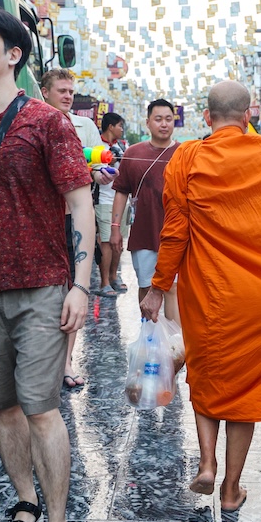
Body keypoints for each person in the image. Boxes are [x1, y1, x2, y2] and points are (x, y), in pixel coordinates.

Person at [139, 80, 261, 511]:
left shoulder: (186, 157)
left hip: (208, 292)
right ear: (248, 117)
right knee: (245, 387)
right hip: (256, 295)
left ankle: (207, 463)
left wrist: (157, 289)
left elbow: (174, 232)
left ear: (206, 118)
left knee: (207, 378)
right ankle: (231, 489)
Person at [0, 7, 94, 522]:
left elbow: (80, 205)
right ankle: (25, 500)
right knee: (2, 408)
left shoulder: (46, 121)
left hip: (41, 286)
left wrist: (80, 286)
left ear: (13, 54)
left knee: (42, 408)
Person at [40, 68, 111, 389]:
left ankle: (66, 362)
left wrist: (103, 174)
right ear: (45, 92)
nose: (68, 96)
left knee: (73, 290)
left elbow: (98, 168)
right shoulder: (32, 122)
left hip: (71, 221)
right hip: (40, 222)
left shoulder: (85, 127)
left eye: (71, 91)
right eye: (62, 91)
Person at [110, 99, 180, 322]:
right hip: (144, 233)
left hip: (177, 235)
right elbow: (121, 191)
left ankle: (174, 345)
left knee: (173, 287)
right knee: (145, 285)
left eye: (168, 119)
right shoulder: (133, 152)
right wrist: (115, 228)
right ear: (148, 122)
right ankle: (149, 338)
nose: (164, 124)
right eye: (158, 119)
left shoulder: (184, 153)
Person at [97, 112, 130, 296]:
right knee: (107, 243)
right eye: (119, 126)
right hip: (103, 200)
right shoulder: (97, 146)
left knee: (118, 242)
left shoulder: (120, 148)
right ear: (111, 127)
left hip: (120, 201)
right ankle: (104, 282)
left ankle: (114, 276)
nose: (121, 129)